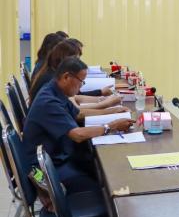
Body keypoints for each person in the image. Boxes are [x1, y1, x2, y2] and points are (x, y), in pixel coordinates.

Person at [23, 57, 135, 194]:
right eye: (81, 81)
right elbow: (77, 135)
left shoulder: (55, 90)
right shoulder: (48, 101)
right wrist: (110, 126)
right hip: (45, 169)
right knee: (102, 187)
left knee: (98, 167)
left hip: (57, 155)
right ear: (66, 77)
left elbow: (77, 114)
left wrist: (113, 111)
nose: (81, 86)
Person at [29, 40, 117, 106]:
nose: (78, 62)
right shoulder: (51, 79)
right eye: (76, 59)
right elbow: (76, 109)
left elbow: (75, 99)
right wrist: (105, 102)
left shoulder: (51, 72)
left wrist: (101, 98)